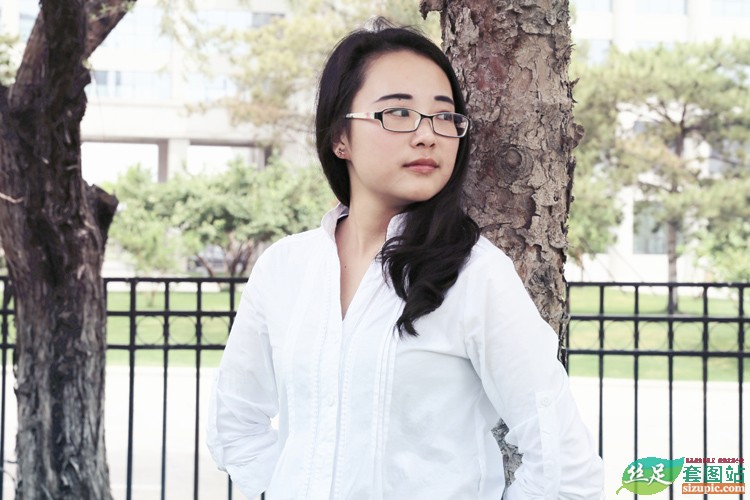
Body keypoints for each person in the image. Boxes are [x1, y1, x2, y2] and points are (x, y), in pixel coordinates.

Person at [207, 20, 604, 500]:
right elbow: (237, 425)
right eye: (398, 112)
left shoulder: (475, 275)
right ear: (340, 137)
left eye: (444, 116)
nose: (428, 135)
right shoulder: (285, 268)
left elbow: (567, 470)